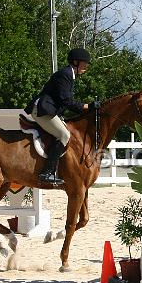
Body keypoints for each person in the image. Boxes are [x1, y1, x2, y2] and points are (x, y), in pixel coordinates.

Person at [24, 48, 91, 185]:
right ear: (76, 62)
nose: (86, 66)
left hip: (49, 110)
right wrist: (87, 107)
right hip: (42, 110)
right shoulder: (65, 74)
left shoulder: (69, 75)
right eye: (84, 63)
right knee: (64, 135)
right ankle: (46, 172)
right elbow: (66, 101)